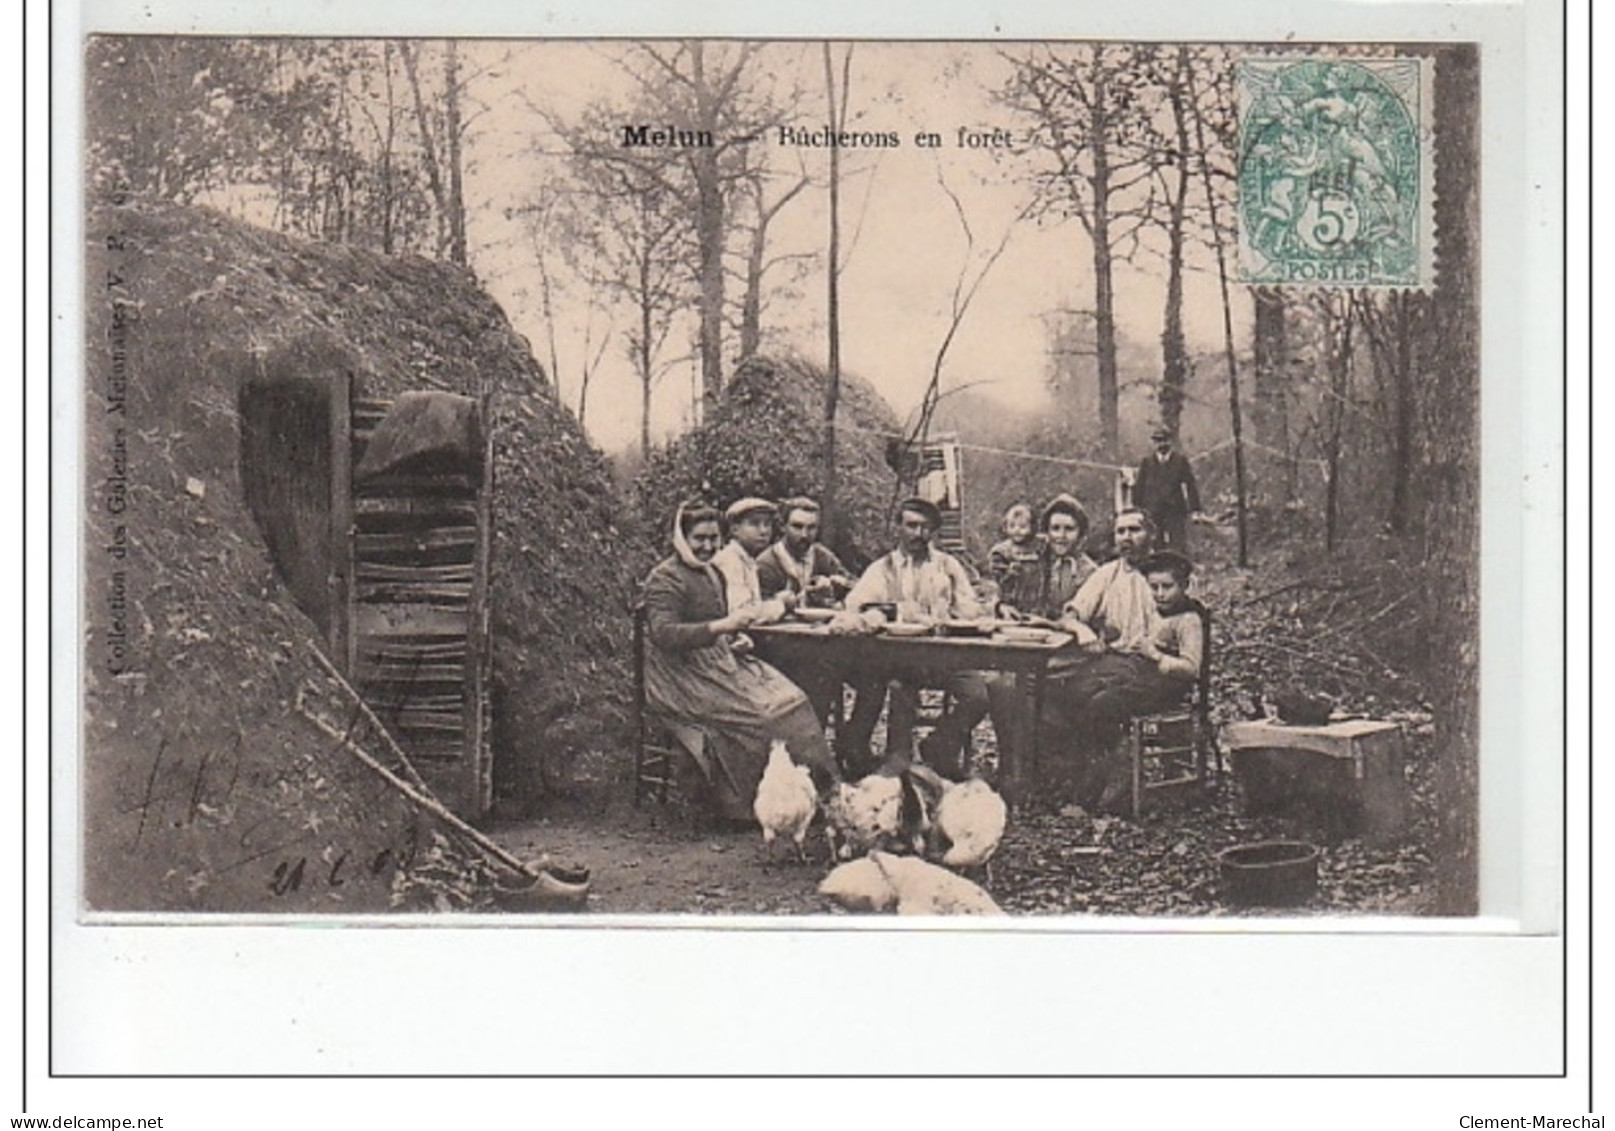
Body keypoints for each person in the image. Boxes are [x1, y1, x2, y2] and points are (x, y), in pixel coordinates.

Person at [640, 501, 838, 823]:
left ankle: (816, 796)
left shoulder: (713, 573)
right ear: (681, 538)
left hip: (718, 660)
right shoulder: (664, 579)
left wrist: (734, 639)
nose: (707, 547)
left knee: (792, 699)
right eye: (699, 539)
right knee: (762, 715)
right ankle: (750, 805)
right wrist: (722, 628)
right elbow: (664, 635)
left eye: (713, 539)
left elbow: (719, 623)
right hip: (678, 674)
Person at [835, 497, 1003, 779]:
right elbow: (856, 604)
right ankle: (897, 759)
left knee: (977, 695)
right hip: (898, 658)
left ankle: (940, 745)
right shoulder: (883, 568)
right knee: (901, 685)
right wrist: (893, 612)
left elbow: (969, 609)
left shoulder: (948, 566)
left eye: (925, 527)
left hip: (944, 657)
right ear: (898, 528)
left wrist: (970, 613)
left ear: (933, 532)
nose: (918, 534)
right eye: (911, 526)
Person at [1051, 512, 1199, 809]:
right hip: (1118, 661)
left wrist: (1159, 654)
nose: (1127, 538)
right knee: (1063, 692)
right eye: (1120, 532)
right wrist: (1081, 629)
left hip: (1160, 670)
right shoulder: (1108, 574)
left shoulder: (1167, 577)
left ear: (1151, 535)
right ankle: (1077, 776)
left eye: (1135, 530)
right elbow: (1072, 613)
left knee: (1103, 703)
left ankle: (1117, 772)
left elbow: (1190, 639)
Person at [755, 496, 855, 609]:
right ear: (783, 527)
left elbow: (857, 587)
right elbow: (758, 609)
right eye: (797, 527)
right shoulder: (767, 563)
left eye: (811, 528)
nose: (804, 535)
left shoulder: (822, 556)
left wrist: (837, 584)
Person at [711, 497, 791, 625]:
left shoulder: (747, 559)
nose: (764, 531)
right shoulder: (730, 561)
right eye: (754, 524)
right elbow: (742, 613)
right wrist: (780, 604)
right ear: (735, 530)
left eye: (767, 524)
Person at [1133, 426, 1204, 552]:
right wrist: (1137, 507)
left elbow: (1190, 485)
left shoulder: (1180, 461)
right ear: (1154, 443)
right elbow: (1139, 486)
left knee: (1177, 543)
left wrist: (1195, 508)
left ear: (1170, 442)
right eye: (1158, 441)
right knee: (1155, 543)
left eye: (1164, 440)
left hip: (1175, 509)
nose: (1161, 444)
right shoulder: (1147, 462)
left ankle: (1178, 568)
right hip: (1153, 510)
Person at [986, 503, 1045, 616]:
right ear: (1005, 527)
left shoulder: (1037, 547)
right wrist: (1008, 572)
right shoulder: (1002, 551)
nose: (1017, 530)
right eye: (1012, 526)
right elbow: (996, 577)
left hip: (1033, 598)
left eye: (1023, 526)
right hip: (1011, 597)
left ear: (1032, 528)